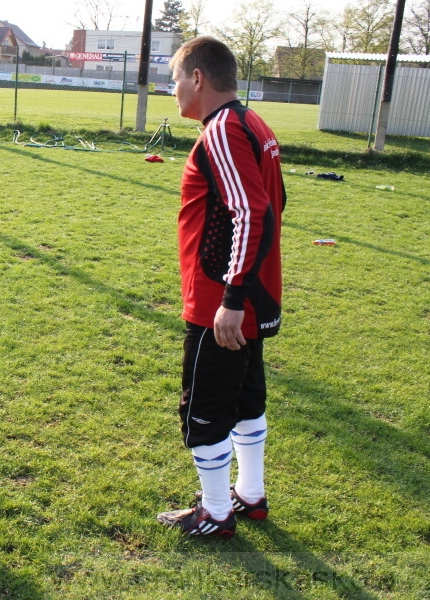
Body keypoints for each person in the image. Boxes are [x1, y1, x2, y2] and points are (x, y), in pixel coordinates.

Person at [156, 36, 285, 538]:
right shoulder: (252, 122)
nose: (173, 91)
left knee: (205, 408)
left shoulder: (223, 131)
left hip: (222, 303)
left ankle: (214, 510)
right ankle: (250, 495)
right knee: (247, 399)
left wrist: (231, 297)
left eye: (174, 80)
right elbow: (276, 202)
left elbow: (253, 213)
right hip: (250, 294)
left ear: (197, 78)